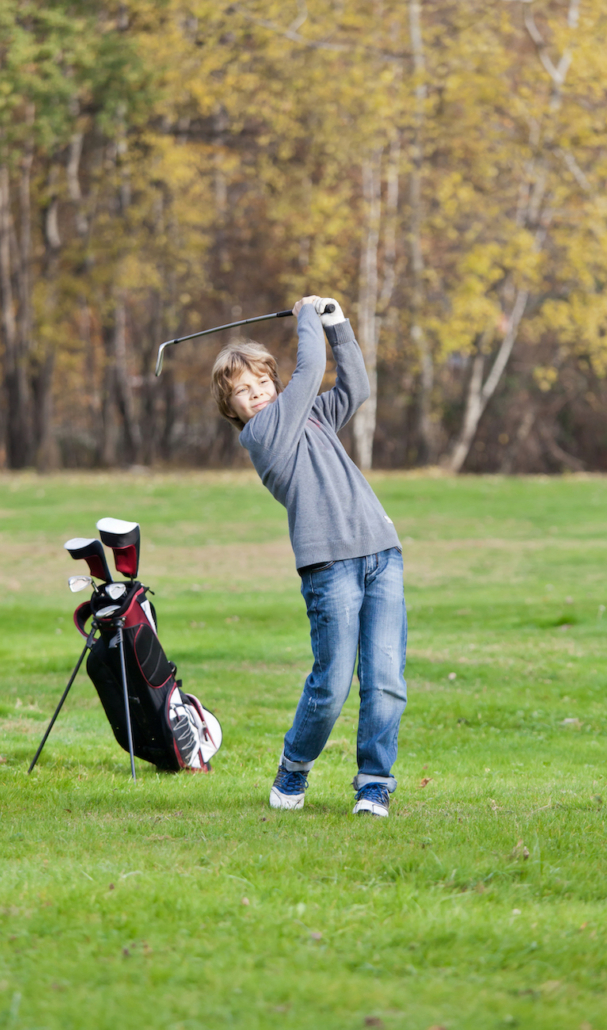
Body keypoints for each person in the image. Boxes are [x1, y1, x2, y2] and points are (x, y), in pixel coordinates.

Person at [211, 296, 407, 817]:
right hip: (330, 568)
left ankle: (373, 786)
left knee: (386, 681)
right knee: (332, 682)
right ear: (233, 410)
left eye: (261, 385)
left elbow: (356, 387)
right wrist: (306, 316)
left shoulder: (312, 416)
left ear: (273, 385)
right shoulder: (264, 435)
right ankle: (293, 770)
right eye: (243, 394)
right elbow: (312, 366)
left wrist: (338, 323)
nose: (256, 396)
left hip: (382, 553)